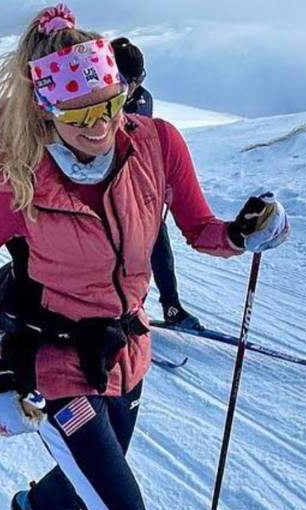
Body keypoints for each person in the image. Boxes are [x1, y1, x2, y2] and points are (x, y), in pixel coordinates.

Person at [0, 5, 290, 510]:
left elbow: (200, 229)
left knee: (80, 493)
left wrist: (243, 233)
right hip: (54, 368)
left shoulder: (156, 144)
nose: (100, 125)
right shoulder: (20, 182)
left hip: (127, 354)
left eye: (109, 103)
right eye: (79, 113)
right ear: (47, 109)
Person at [111, 36, 205, 330]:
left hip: (137, 193)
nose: (133, 86)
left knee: (158, 243)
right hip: (99, 194)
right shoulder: (93, 100)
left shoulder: (142, 100)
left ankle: (171, 306)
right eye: (125, 79)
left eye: (137, 79)